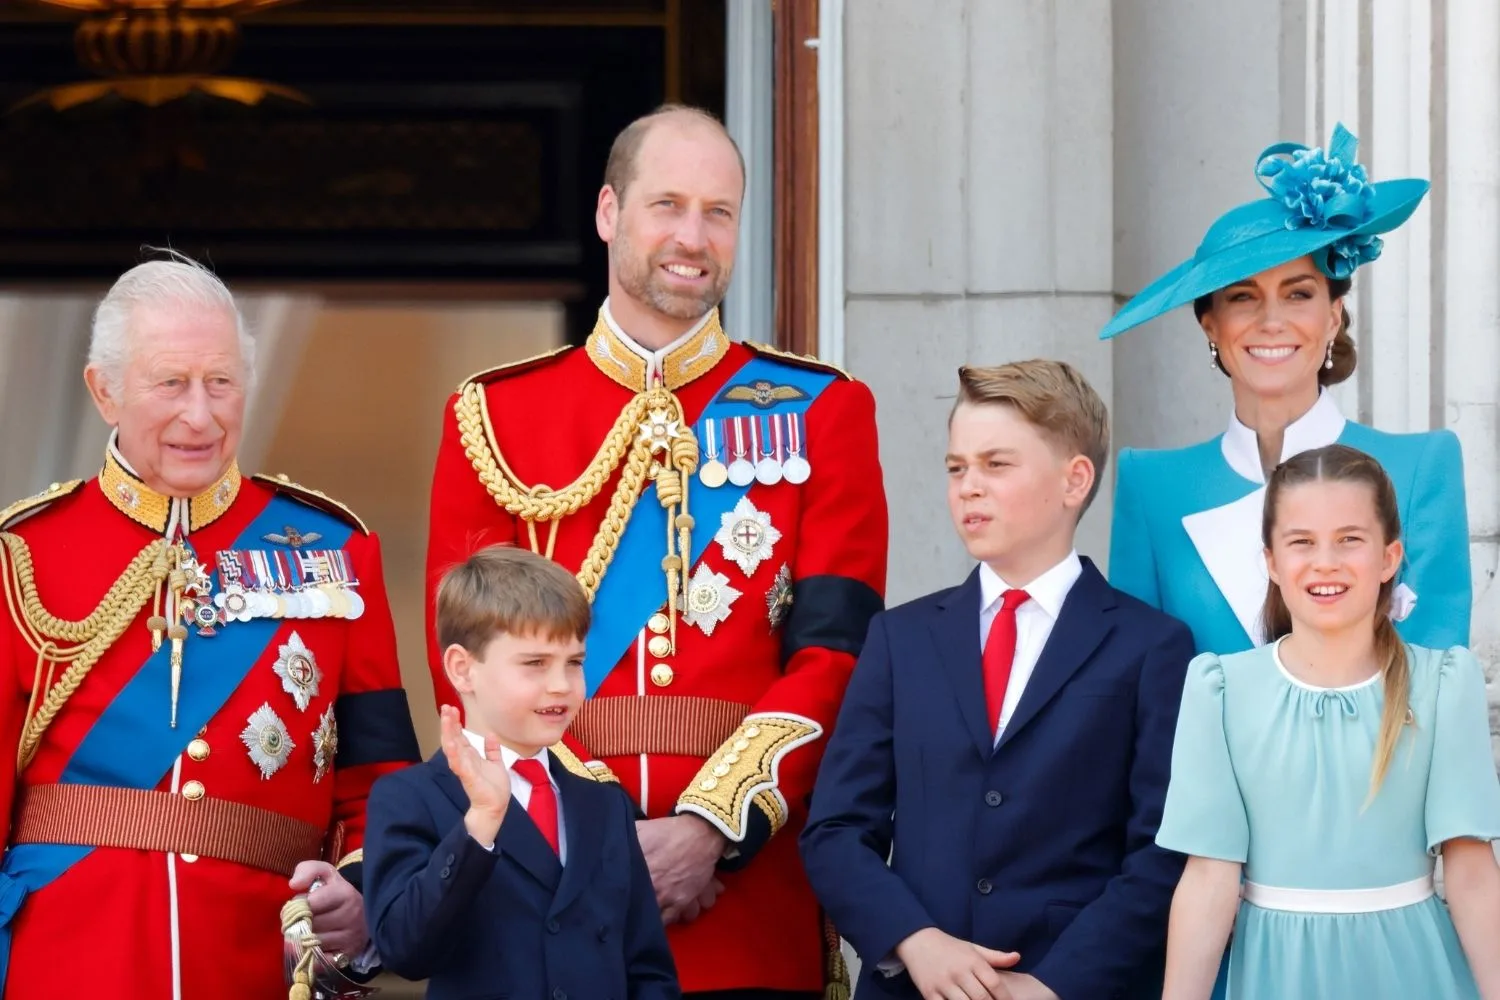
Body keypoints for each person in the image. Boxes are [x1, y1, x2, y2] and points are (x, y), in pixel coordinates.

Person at [422, 104, 887, 998]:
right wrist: (591, 837)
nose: (693, 235)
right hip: (541, 891)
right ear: (608, 213)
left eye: (718, 211)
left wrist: (712, 828)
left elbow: (837, 658)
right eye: (666, 204)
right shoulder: (492, 416)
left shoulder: (822, 410)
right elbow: (466, 673)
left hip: (743, 901)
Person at [0, 253, 421, 998]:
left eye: (221, 382)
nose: (201, 415)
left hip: (257, 967)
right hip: (65, 962)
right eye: (171, 384)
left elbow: (377, 787)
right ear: (105, 391)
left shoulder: (335, 552)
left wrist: (359, 898)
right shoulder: (26, 554)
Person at [799, 361, 1195, 1000]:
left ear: (1074, 481)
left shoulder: (1150, 646)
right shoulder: (900, 639)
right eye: (957, 468)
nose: (968, 487)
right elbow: (837, 831)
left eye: (996, 465)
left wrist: (1053, 985)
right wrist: (914, 941)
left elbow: (1159, 854)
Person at [1102, 123, 1470, 657]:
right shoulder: (1151, 486)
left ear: (1332, 316)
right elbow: (1137, 687)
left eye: (1298, 294)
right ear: (1211, 324)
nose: (1271, 321)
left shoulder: (1420, 468)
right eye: (1244, 297)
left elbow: (1437, 681)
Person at [1157, 444, 1500, 1000]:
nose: (1325, 562)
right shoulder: (1221, 691)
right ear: (1270, 561)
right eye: (1302, 543)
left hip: (1415, 972)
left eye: (1350, 540)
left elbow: (1471, 873)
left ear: (1389, 558)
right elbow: (1207, 880)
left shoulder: (1441, 686)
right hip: (1280, 974)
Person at [364, 545, 679, 999]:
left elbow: (648, 969)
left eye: (574, 663)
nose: (560, 685)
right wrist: (479, 827)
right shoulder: (409, 797)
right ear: (462, 669)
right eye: (534, 664)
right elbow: (405, 949)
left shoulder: (604, 804)